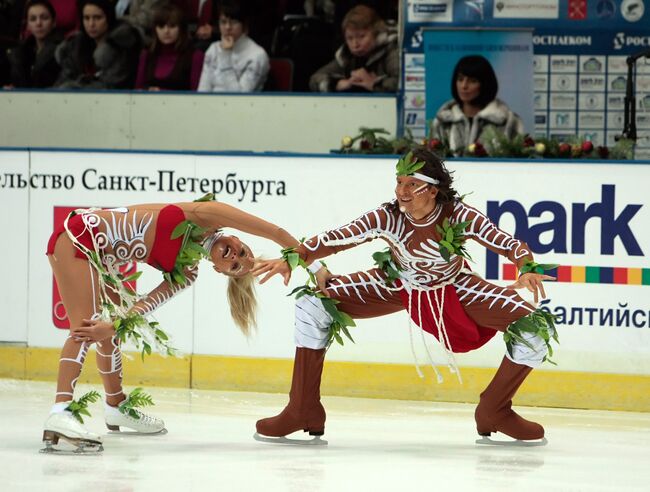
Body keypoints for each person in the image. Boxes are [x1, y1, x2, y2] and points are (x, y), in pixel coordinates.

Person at [253, 147, 557, 445]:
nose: (402, 190)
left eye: (412, 183)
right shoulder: (388, 217)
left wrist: (526, 266)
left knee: (534, 328)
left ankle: (494, 409)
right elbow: (336, 238)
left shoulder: (458, 215)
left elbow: (505, 242)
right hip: (396, 284)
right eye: (399, 181)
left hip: (453, 287)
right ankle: (303, 409)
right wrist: (296, 256)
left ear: (433, 190)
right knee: (312, 303)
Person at [43, 198, 299, 452]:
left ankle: (115, 406)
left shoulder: (187, 272)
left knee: (107, 329)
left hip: (102, 258)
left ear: (221, 271)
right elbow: (273, 231)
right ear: (237, 239)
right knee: (86, 325)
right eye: (241, 252)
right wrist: (303, 257)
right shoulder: (205, 216)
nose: (235, 256)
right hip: (79, 236)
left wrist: (112, 327)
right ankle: (61, 412)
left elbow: (148, 305)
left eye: (234, 266)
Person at [430, 55, 525, 155]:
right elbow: (433, 161)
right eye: (460, 79)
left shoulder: (508, 121)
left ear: (485, 84)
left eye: (472, 81)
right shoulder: (443, 121)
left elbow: (519, 161)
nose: (464, 86)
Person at [309, 4, 398, 93]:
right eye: (350, 38)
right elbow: (315, 79)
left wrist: (374, 83)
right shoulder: (346, 56)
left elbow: (406, 83)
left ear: (377, 34)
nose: (355, 44)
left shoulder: (392, 50)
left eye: (361, 36)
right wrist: (337, 83)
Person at [54, 0, 141, 89]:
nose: (91, 24)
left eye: (98, 18)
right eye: (86, 18)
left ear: (108, 17)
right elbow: (64, 79)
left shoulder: (122, 44)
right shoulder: (76, 46)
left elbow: (114, 85)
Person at [197, 0, 269, 92]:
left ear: (244, 25)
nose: (227, 27)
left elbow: (237, 98)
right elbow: (203, 92)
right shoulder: (213, 49)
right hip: (211, 105)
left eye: (234, 22)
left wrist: (226, 55)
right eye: (223, 22)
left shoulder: (257, 55)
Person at [134, 3, 204, 91]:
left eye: (172, 26)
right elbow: (137, 92)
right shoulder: (146, 55)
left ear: (181, 29)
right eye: (161, 26)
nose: (166, 31)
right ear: (155, 29)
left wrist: (162, 93)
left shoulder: (195, 56)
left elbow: (197, 96)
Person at [5, 0, 62, 88]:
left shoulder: (64, 49)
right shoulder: (20, 53)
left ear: (54, 22)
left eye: (44, 18)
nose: (38, 23)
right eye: (33, 19)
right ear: (27, 25)